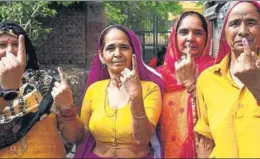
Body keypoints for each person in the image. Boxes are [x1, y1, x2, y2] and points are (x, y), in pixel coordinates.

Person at [52, 24, 163, 158]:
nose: (117, 53)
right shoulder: (94, 89)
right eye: (110, 48)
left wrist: (135, 97)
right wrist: (67, 109)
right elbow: (77, 137)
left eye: (124, 47)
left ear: (134, 53)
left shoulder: (150, 89)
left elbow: (143, 138)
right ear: (101, 56)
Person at [0, 21, 70, 158]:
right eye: (1, 45)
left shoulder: (43, 82)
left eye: (16, 44)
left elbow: (74, 135)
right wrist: (5, 89)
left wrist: (68, 108)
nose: (10, 50)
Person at [194, 1, 260, 158]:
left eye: (251, 23)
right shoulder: (207, 79)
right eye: (235, 24)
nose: (243, 31)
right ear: (223, 33)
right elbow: (206, 140)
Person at [156, 11, 214, 158]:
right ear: (174, 37)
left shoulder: (218, 72)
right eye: (183, 32)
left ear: (207, 38)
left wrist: (191, 82)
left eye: (198, 33)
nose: (190, 38)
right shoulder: (159, 76)